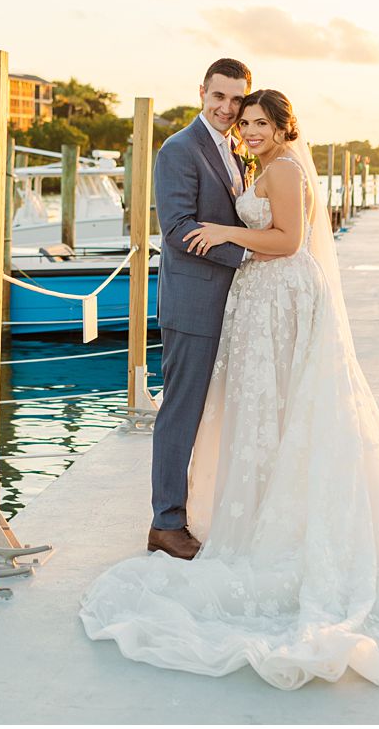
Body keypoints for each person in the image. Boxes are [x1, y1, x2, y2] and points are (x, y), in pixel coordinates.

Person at [79, 88, 379, 690]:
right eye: (245, 118)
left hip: (281, 292)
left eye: (260, 120)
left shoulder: (283, 167)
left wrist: (222, 230)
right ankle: (215, 513)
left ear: (283, 127)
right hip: (257, 298)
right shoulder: (231, 157)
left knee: (283, 409)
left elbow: (287, 240)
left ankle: (272, 524)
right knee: (264, 410)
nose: (249, 127)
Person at [139, 57, 258, 561]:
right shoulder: (178, 149)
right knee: (181, 412)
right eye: (219, 97)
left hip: (229, 303)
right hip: (192, 302)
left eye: (236, 99)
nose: (228, 108)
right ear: (202, 93)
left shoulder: (235, 148)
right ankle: (166, 524)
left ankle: (204, 509)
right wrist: (253, 255)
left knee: (213, 412)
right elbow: (179, 228)